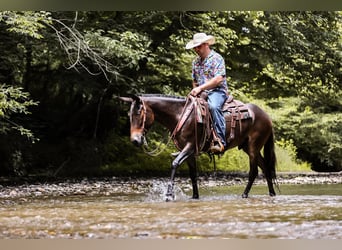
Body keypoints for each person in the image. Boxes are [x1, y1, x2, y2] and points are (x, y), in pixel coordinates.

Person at [185, 32, 228, 153]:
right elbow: (195, 80)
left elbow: (219, 79)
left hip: (217, 91)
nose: (196, 49)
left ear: (206, 44)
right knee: (187, 109)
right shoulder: (195, 62)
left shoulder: (217, 58)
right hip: (201, 93)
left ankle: (220, 141)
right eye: (195, 47)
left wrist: (200, 89)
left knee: (213, 107)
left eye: (198, 46)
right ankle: (191, 142)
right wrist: (196, 91)